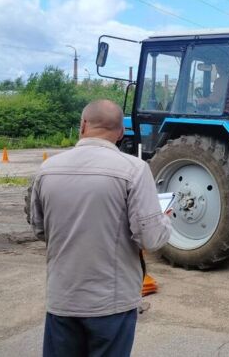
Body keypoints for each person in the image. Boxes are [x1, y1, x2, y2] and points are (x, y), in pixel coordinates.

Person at [30, 99, 171, 357]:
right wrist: (165, 221)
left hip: (62, 299)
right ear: (120, 132)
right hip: (111, 305)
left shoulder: (46, 170)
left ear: (82, 125)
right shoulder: (135, 170)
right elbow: (151, 239)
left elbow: (40, 229)